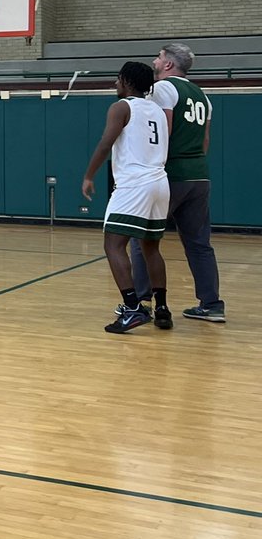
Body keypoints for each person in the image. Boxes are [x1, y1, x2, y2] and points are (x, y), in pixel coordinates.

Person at [128, 43, 224, 322]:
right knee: (199, 243)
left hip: (172, 173)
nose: (155, 61)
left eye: (158, 57)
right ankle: (212, 304)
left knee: (142, 239)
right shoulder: (203, 96)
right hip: (199, 175)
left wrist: (152, 168)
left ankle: (143, 301)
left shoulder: (163, 89)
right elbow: (204, 140)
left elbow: (163, 131)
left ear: (168, 64)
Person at [82, 61, 171, 334]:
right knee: (151, 248)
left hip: (135, 185)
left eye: (118, 78)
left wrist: (89, 175)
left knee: (113, 245)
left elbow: (106, 143)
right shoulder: (156, 109)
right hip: (160, 183)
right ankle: (162, 309)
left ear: (127, 82)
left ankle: (132, 308)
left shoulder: (121, 107)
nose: (115, 83)